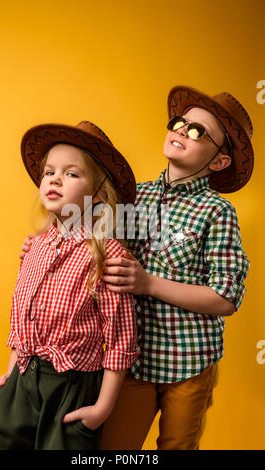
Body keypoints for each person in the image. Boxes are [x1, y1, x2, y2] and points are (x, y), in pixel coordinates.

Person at [20, 86, 253, 450]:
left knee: (177, 446)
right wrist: (46, 248)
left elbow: (225, 297)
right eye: (179, 122)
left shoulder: (217, 212)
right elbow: (87, 240)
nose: (181, 131)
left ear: (220, 161)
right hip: (133, 361)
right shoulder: (134, 197)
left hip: (188, 365)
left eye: (197, 131)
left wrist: (148, 283)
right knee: (112, 447)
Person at [0, 120, 140, 450]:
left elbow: (120, 339)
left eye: (72, 173)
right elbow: (21, 319)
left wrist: (102, 408)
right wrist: (9, 376)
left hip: (71, 387)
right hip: (21, 381)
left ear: (98, 193)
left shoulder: (106, 254)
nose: (55, 178)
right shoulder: (36, 246)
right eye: (49, 172)